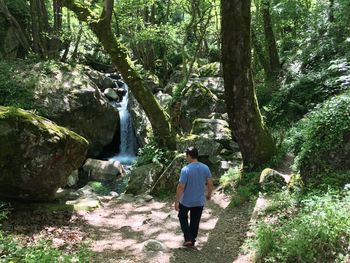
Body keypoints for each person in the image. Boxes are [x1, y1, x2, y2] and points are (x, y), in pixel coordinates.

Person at [175, 146, 213, 248]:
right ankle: (192, 240)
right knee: (195, 221)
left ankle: (188, 238)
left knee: (182, 216)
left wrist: (177, 201)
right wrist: (209, 194)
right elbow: (210, 183)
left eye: (186, 156)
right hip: (199, 201)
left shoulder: (186, 169)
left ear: (189, 156)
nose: (186, 158)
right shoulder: (205, 167)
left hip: (186, 201)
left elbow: (181, 186)